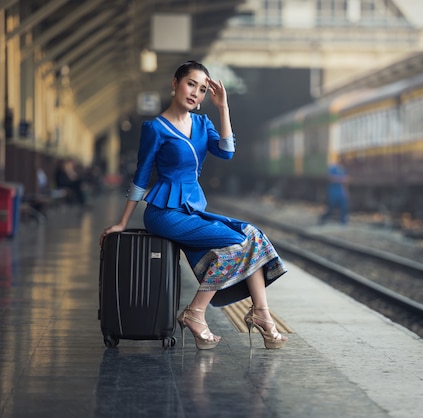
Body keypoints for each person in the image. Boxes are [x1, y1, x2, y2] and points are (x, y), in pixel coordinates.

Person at [100, 60, 288, 350]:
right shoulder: (155, 128)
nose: (195, 93)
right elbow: (141, 176)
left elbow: (226, 152)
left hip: (192, 209)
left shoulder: (203, 124)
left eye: (202, 90)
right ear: (175, 83)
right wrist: (123, 222)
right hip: (164, 213)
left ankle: (261, 313)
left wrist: (223, 107)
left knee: (253, 235)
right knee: (237, 243)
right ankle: (195, 313)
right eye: (191, 84)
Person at [319, 156, 350, 224]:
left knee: (344, 208)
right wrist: (341, 179)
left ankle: (343, 223)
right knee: (330, 208)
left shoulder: (344, 169)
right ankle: (323, 218)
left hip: (341, 193)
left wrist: (346, 193)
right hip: (333, 192)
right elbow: (330, 178)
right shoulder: (333, 168)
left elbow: (346, 180)